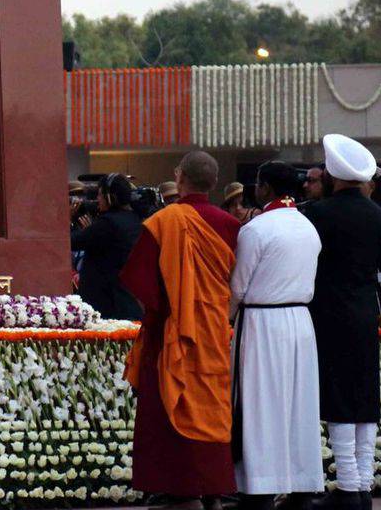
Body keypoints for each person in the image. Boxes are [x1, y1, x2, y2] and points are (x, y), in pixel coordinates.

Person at [120, 150, 239, 510]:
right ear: (215, 183)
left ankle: (181, 490)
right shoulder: (231, 225)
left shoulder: (164, 221)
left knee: (172, 406)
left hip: (170, 331)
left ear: (179, 177)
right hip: (215, 333)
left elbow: (139, 282)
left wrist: (169, 312)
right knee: (212, 405)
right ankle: (213, 490)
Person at [229, 162, 323, 510]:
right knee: (298, 404)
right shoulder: (308, 227)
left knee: (259, 403)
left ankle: (259, 487)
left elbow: (237, 287)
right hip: (299, 321)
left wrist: (225, 320)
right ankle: (301, 485)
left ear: (266, 188)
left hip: (261, 322)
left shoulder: (257, 229)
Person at [305, 134, 381, 510]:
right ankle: (364, 485)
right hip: (367, 312)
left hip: (328, 314)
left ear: (333, 174)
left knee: (337, 393)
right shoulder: (378, 215)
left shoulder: (318, 214)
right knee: (366, 394)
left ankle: (349, 486)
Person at [69, 173, 142, 320]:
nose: (97, 200)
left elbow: (72, 241)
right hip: (126, 302)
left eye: (100, 195)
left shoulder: (108, 224)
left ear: (110, 197)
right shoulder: (134, 220)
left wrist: (68, 220)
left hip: (108, 306)